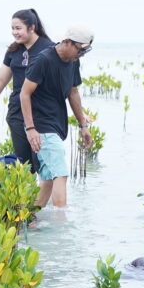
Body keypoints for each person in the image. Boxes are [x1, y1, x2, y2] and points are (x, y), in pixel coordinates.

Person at [20, 24, 93, 210]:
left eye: (86, 51)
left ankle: (29, 221)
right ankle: (62, 228)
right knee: (60, 174)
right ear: (67, 42)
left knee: (47, 181)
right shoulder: (42, 60)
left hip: (57, 125)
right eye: (80, 50)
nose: (82, 55)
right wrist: (30, 129)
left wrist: (83, 125)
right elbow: (24, 94)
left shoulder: (73, 61)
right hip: (41, 127)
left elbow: (73, 92)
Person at [0, 10, 54, 165]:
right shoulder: (14, 50)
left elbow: (60, 82)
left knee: (43, 164)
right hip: (17, 113)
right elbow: (0, 80)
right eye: (12, 28)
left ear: (32, 28)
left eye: (18, 28)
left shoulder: (49, 49)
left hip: (41, 114)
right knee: (24, 165)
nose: (14, 32)